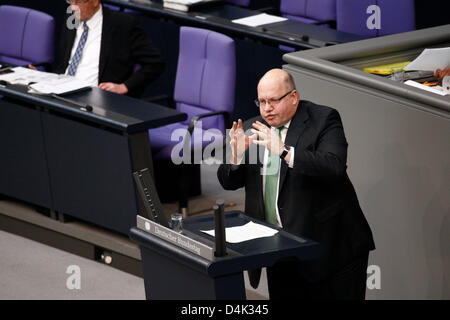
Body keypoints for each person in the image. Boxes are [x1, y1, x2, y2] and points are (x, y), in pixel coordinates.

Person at [217, 69, 375, 300]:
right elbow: (228, 182)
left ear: (293, 97)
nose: (267, 108)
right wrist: (236, 157)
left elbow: (333, 166)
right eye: (262, 101)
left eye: (273, 100)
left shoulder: (324, 119)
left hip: (331, 250)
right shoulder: (254, 128)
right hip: (280, 251)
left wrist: (282, 150)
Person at [53, 0, 165, 97]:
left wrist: (125, 86)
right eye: (70, 1)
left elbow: (156, 63)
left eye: (79, 2)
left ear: (95, 1)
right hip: (63, 90)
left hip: (95, 97)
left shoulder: (123, 25)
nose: (73, 7)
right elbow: (63, 64)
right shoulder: (72, 18)